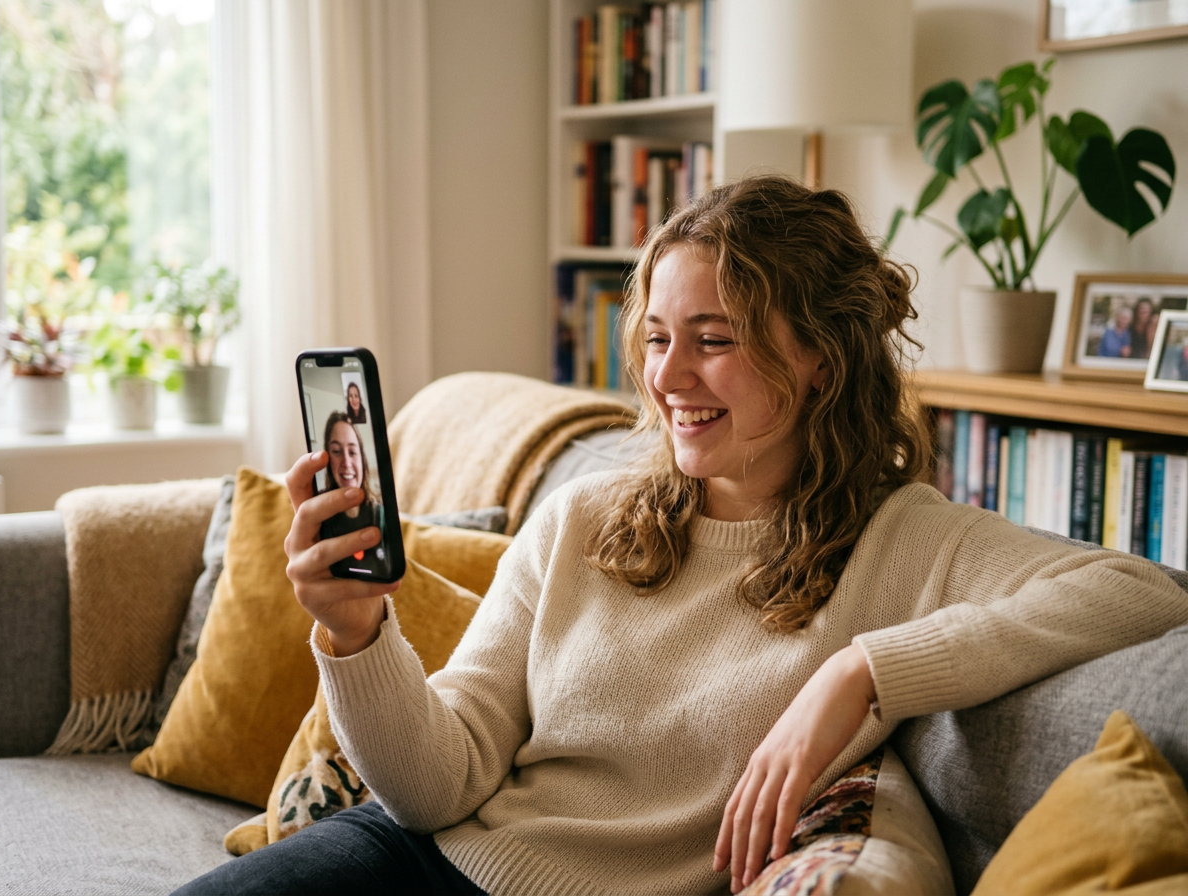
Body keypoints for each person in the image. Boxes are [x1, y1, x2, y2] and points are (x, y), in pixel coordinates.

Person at [177, 176, 1188, 896]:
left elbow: (1144, 587)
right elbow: (443, 779)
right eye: (659, 338)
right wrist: (357, 634)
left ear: (821, 359)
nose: (669, 376)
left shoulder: (906, 541)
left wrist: (861, 673)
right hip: (416, 856)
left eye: (715, 338)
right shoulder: (583, 518)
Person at [319, 411, 381, 541]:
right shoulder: (319, 514)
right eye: (336, 451)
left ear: (362, 458)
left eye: (352, 452)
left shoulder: (379, 514)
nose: (346, 463)